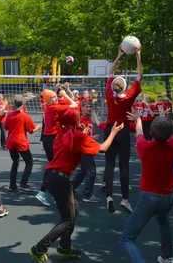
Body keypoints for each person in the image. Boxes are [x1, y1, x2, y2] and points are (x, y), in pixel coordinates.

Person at [29, 109, 123, 262]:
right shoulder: (77, 137)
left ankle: (64, 247)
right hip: (60, 181)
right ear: (75, 121)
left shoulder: (62, 134)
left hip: (51, 178)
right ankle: (39, 249)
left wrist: (85, 136)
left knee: (75, 209)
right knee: (67, 220)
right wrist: (113, 132)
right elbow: (103, 148)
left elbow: (74, 143)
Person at [121, 112, 173, 263]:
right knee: (163, 219)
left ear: (151, 132)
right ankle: (167, 256)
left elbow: (139, 133)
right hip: (168, 197)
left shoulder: (145, 148)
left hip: (149, 198)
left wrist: (138, 119)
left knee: (127, 238)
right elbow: (167, 132)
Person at [104, 45, 142, 214]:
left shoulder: (108, 94)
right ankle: (125, 199)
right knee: (124, 165)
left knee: (109, 164)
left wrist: (119, 56)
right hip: (123, 131)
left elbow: (110, 73)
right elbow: (140, 75)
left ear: (112, 86)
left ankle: (109, 197)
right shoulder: (128, 97)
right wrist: (138, 56)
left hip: (110, 130)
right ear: (125, 87)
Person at [36, 88, 77, 206]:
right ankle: (45, 191)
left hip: (47, 139)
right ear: (48, 100)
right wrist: (65, 94)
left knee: (52, 166)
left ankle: (49, 192)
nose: (56, 98)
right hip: (52, 139)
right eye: (53, 97)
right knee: (55, 167)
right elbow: (73, 104)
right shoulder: (54, 107)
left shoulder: (48, 107)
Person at [4, 95, 42, 192]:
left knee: (15, 162)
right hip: (21, 142)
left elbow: (6, 128)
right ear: (23, 104)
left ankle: (12, 184)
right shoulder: (25, 116)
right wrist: (39, 127)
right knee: (29, 162)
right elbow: (31, 130)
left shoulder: (9, 115)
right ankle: (23, 183)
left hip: (11, 141)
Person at [71, 100, 101, 203]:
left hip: (88, 147)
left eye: (90, 107)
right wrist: (92, 137)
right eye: (87, 107)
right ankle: (87, 195)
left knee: (84, 170)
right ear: (82, 108)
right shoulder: (81, 120)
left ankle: (71, 187)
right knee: (91, 171)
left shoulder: (89, 120)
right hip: (84, 148)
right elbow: (79, 136)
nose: (89, 108)